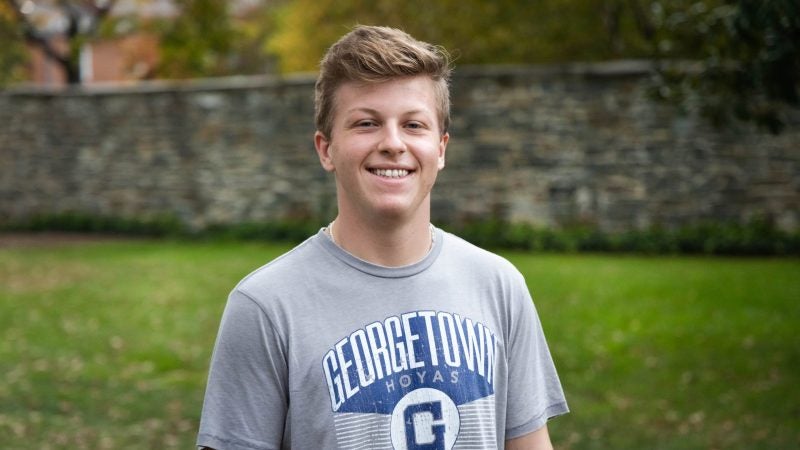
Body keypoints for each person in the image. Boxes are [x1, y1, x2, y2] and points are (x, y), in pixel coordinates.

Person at [197, 25, 568, 450]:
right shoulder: (265, 306)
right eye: (366, 123)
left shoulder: (499, 285)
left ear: (441, 148)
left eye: (413, 125)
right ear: (325, 149)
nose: (393, 143)